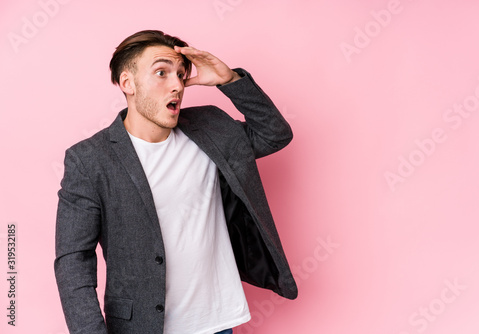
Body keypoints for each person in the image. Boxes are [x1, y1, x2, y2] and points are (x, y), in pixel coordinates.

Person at [54, 30, 297, 334]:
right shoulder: (90, 160)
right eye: (161, 72)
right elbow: (73, 261)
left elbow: (275, 134)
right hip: (142, 327)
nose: (177, 85)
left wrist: (229, 79)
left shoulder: (211, 128)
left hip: (219, 323)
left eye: (181, 75)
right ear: (128, 82)